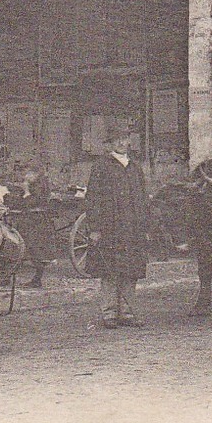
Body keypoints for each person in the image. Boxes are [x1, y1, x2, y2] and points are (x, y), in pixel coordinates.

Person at [84, 120, 150, 328]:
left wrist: (145, 226)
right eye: (117, 140)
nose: (122, 143)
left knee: (130, 270)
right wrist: (94, 228)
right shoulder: (101, 166)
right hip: (110, 227)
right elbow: (92, 198)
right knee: (110, 271)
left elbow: (142, 197)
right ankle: (109, 313)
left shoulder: (135, 167)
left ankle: (128, 312)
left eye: (124, 139)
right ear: (110, 143)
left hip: (133, 227)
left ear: (129, 141)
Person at [8, 163, 54, 288]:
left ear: (35, 174)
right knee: (25, 246)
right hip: (29, 220)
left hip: (37, 222)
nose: (25, 177)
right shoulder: (34, 184)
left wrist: (26, 191)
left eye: (27, 174)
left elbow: (30, 203)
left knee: (35, 249)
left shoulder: (40, 186)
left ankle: (37, 278)